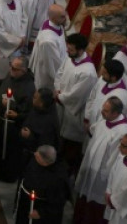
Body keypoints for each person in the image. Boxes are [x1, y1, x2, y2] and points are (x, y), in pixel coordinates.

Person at [73, 97, 127, 222]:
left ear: (115, 113)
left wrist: (105, 178)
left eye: (105, 111)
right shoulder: (105, 119)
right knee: (83, 199)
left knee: (95, 208)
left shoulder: (123, 132)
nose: (102, 112)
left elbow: (115, 161)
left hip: (101, 178)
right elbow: (93, 130)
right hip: (90, 169)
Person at [53, 33, 97, 173]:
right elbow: (59, 74)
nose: (67, 51)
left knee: (70, 147)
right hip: (61, 105)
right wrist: (57, 89)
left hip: (74, 113)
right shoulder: (69, 58)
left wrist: (61, 97)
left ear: (80, 50)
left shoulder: (88, 72)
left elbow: (76, 95)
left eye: (71, 49)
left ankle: (67, 173)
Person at [0, 56, 35, 182]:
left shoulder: (29, 87)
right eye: (11, 66)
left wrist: (13, 108)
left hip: (13, 127)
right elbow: (4, 86)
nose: (11, 70)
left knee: (9, 153)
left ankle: (7, 176)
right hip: (1, 120)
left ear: (24, 71)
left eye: (15, 69)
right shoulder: (11, 75)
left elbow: (27, 111)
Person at [16, 145, 70, 224]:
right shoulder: (34, 160)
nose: (35, 154)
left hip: (40, 211)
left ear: (45, 161)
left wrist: (41, 213)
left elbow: (58, 202)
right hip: (25, 204)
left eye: (38, 156)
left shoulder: (58, 179)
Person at [84, 60, 127, 132]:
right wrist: (87, 117)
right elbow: (92, 97)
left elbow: (111, 118)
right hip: (91, 123)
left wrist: (92, 129)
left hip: (101, 131)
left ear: (113, 77)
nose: (102, 74)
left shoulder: (120, 96)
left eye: (105, 73)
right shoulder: (103, 80)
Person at [29, 4, 66, 90]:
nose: (66, 18)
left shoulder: (55, 24)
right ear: (53, 18)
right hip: (48, 78)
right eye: (62, 17)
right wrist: (64, 80)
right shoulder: (48, 41)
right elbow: (53, 67)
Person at [18, 88, 60, 159]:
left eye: (35, 98)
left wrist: (29, 136)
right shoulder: (36, 109)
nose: (32, 99)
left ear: (41, 103)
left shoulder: (49, 121)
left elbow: (45, 145)